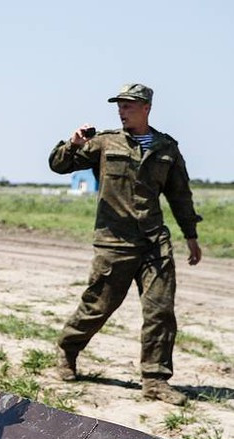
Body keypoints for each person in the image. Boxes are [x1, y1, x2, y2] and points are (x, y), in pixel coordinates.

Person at [49, 83, 202, 405]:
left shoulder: (166, 147)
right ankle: (67, 350)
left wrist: (191, 236)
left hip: (154, 243)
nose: (121, 110)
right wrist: (72, 143)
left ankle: (155, 380)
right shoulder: (104, 143)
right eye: (119, 105)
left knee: (160, 311)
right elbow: (60, 165)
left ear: (145, 107)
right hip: (114, 243)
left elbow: (179, 195)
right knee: (97, 307)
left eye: (128, 105)